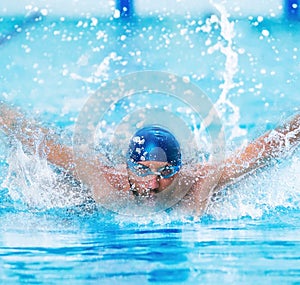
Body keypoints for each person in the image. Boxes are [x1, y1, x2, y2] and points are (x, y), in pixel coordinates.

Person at [0, 100, 300, 216]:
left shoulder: (199, 183)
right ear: (127, 168)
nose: (153, 183)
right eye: (142, 170)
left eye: (166, 171)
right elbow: (41, 142)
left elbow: (267, 147)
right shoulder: (105, 180)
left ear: (180, 170)